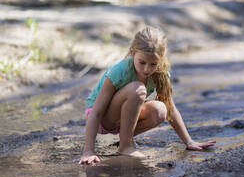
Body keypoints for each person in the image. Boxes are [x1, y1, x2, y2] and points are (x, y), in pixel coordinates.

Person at [79, 26, 216, 165]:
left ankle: (125, 139)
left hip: (123, 120)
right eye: (142, 62)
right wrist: (88, 151)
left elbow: (171, 110)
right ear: (132, 52)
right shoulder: (120, 70)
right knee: (138, 89)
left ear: (160, 59)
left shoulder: (160, 73)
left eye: (153, 64)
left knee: (161, 110)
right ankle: (126, 146)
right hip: (102, 118)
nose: (147, 69)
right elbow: (95, 112)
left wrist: (189, 141)